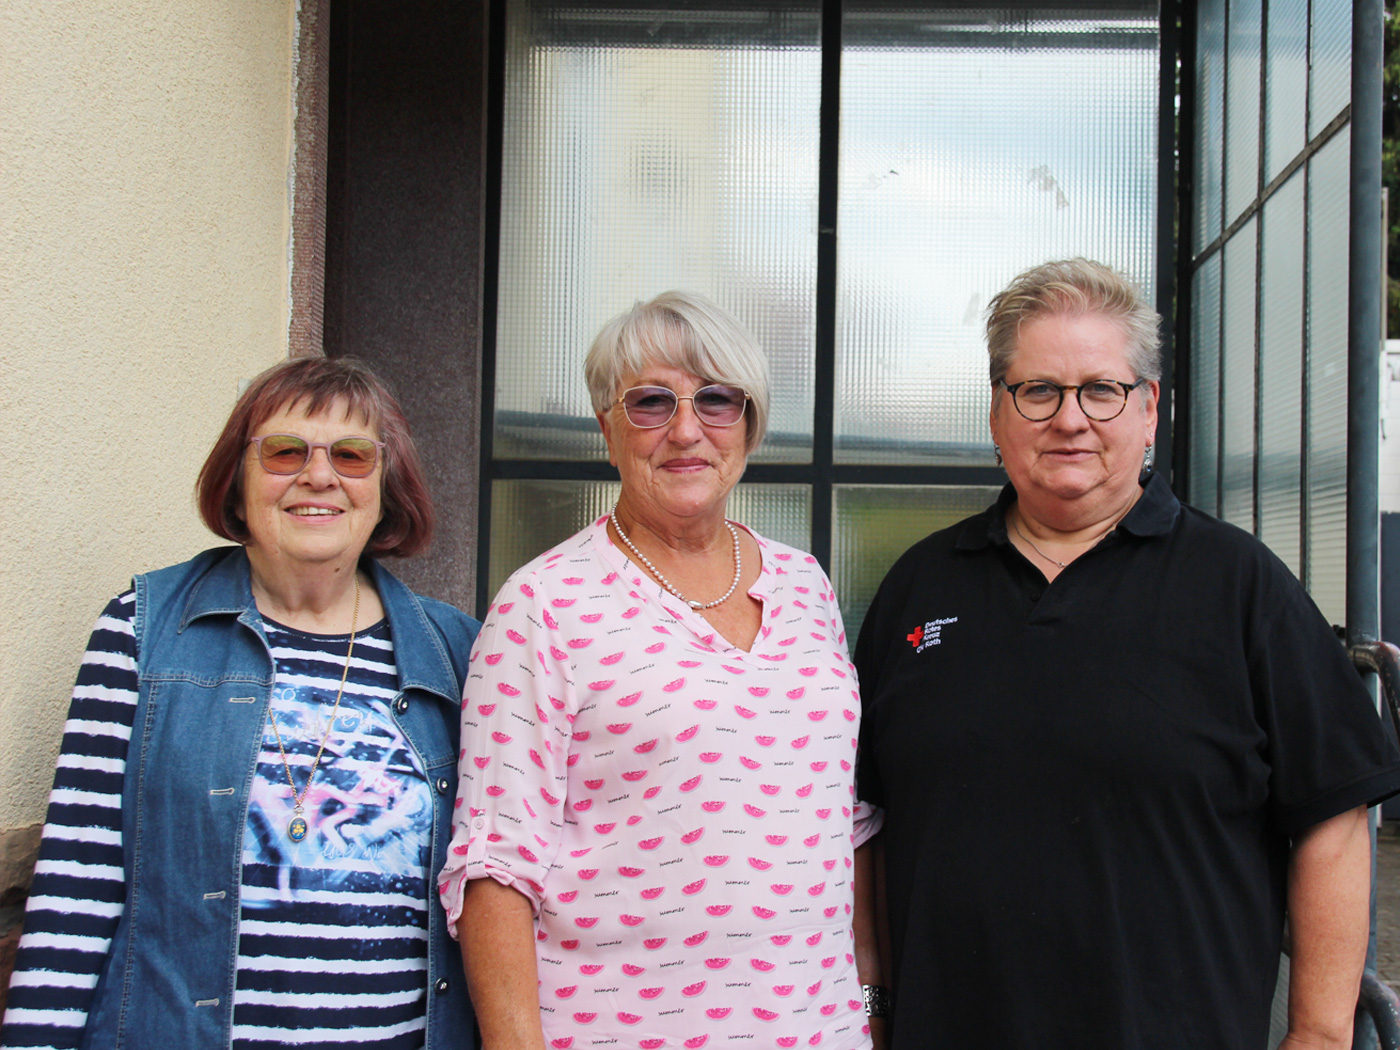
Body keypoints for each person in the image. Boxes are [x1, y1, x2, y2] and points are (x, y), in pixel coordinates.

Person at [853, 258, 1400, 1050]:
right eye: (1038, 390)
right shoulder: (918, 588)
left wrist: (1318, 1033)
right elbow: (866, 821)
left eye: (1100, 390)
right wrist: (868, 1004)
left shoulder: (1240, 586)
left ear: (1148, 410)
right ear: (998, 413)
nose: (1069, 419)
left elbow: (1337, 817)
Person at [439, 291, 885, 1050]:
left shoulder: (803, 584)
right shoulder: (544, 604)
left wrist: (870, 1012)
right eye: (650, 403)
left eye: (717, 401)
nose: (686, 430)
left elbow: (846, 826)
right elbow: (495, 865)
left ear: (749, 424)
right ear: (608, 429)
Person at [2, 357, 480, 1050]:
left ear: (387, 486)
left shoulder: (457, 652)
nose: (318, 476)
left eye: (350, 455)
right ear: (239, 477)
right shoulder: (143, 629)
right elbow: (77, 881)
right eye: (285, 452)